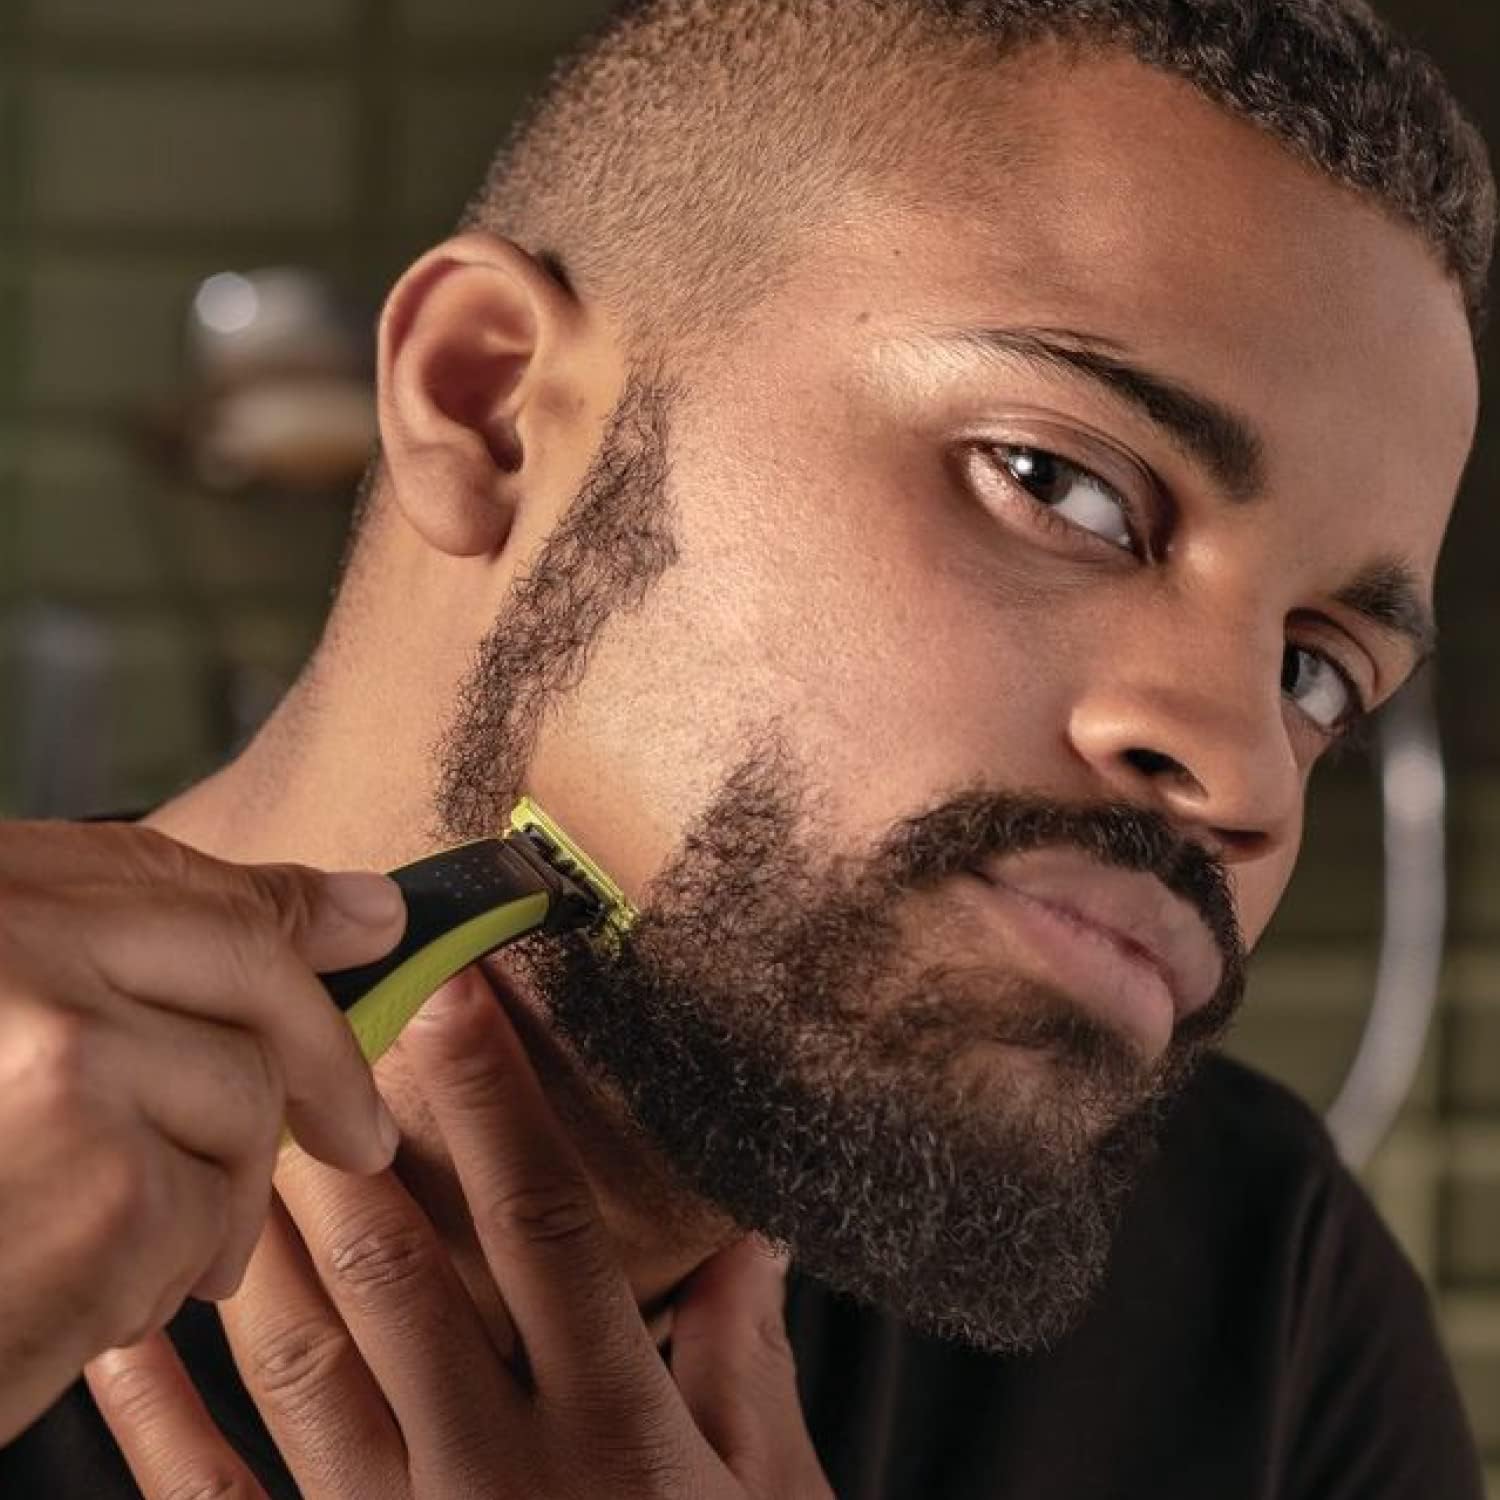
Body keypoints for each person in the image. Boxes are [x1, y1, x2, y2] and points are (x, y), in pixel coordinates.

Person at [0, 0, 1493, 1494]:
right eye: (1059, 485)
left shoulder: (1267, 1301)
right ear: (490, 405)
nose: (1244, 773)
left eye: (1314, 673)